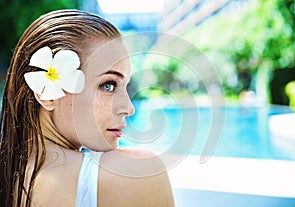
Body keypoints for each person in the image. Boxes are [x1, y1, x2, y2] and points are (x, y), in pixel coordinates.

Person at [0, 10, 174, 207]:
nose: (128, 108)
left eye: (125, 86)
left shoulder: (8, 180)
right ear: (45, 92)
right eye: (108, 85)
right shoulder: (135, 172)